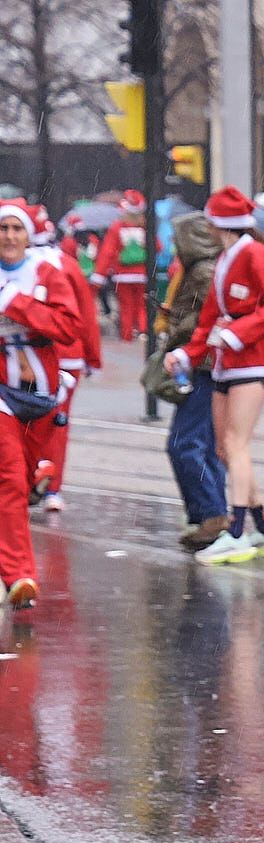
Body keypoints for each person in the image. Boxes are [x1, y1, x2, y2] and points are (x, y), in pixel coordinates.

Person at [164, 186, 264, 567]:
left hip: (254, 362)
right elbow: (208, 320)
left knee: (235, 444)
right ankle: (263, 528)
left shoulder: (253, 254)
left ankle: (236, 533)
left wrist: (239, 332)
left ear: (218, 223)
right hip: (228, 361)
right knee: (225, 447)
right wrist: (187, 354)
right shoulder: (227, 258)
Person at [0, 198, 82, 608]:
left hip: (40, 395)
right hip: (2, 394)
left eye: (17, 229)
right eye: (3, 229)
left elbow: (69, 327)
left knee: (31, 479)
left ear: (28, 235)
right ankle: (19, 575)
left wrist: (15, 303)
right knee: (9, 479)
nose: (9, 237)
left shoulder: (46, 272)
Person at [155, 211, 229, 550]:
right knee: (204, 445)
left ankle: (211, 513)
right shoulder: (200, 269)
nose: (173, 245)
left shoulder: (203, 271)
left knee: (184, 444)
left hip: (201, 365)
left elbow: (207, 318)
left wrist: (179, 329)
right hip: (205, 364)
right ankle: (209, 513)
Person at [26, 204, 98, 513]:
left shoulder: (19, 266)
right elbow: (85, 315)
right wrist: (93, 357)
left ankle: (29, 479)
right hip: (68, 357)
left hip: (27, 357)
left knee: (24, 424)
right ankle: (52, 488)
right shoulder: (66, 265)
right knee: (58, 422)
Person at [103, 190, 151, 342]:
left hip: (122, 274)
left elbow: (108, 251)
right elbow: (158, 247)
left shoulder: (117, 227)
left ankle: (127, 334)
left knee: (126, 306)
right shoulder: (145, 226)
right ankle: (143, 331)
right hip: (142, 273)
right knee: (142, 305)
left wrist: (105, 270)